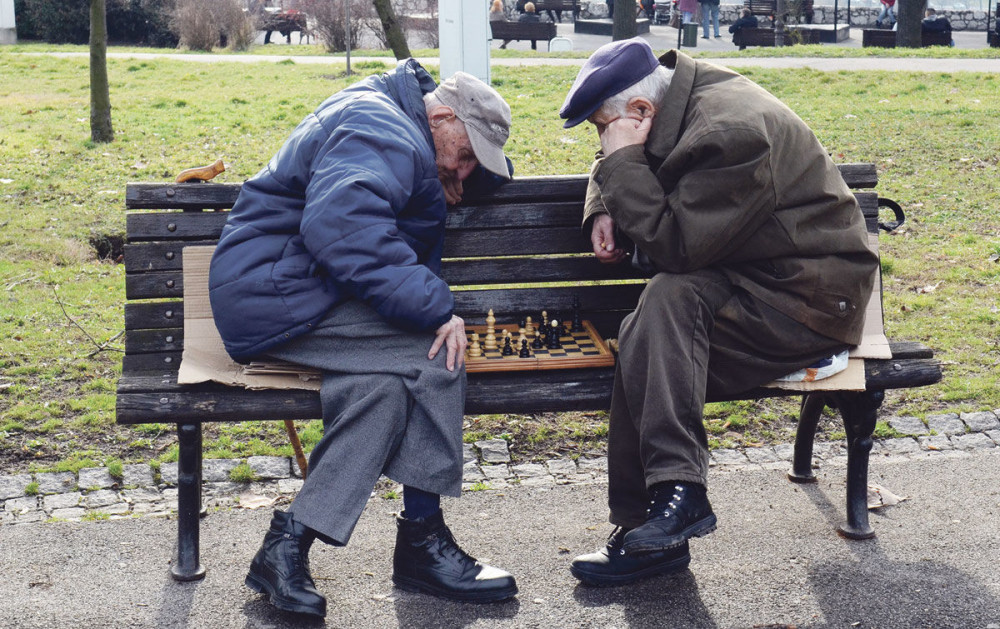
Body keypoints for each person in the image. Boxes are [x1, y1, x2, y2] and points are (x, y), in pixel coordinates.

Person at [558, 38, 877, 587]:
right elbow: (620, 152)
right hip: (751, 272)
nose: (603, 141)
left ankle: (661, 514)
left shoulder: (731, 135)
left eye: (602, 127)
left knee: (653, 325)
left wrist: (623, 163)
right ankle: (667, 511)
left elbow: (676, 248)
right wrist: (601, 207)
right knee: (654, 325)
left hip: (807, 299)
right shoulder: (672, 92)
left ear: (640, 112)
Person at [208, 62, 519, 616]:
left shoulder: (400, 120)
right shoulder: (383, 129)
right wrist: (437, 307)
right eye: (465, 155)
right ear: (441, 115)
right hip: (275, 296)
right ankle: (423, 541)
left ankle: (286, 547)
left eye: (470, 164)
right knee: (436, 355)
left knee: (382, 390)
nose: (463, 172)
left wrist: (456, 169)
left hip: (297, 290)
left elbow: (444, 171)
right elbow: (343, 228)